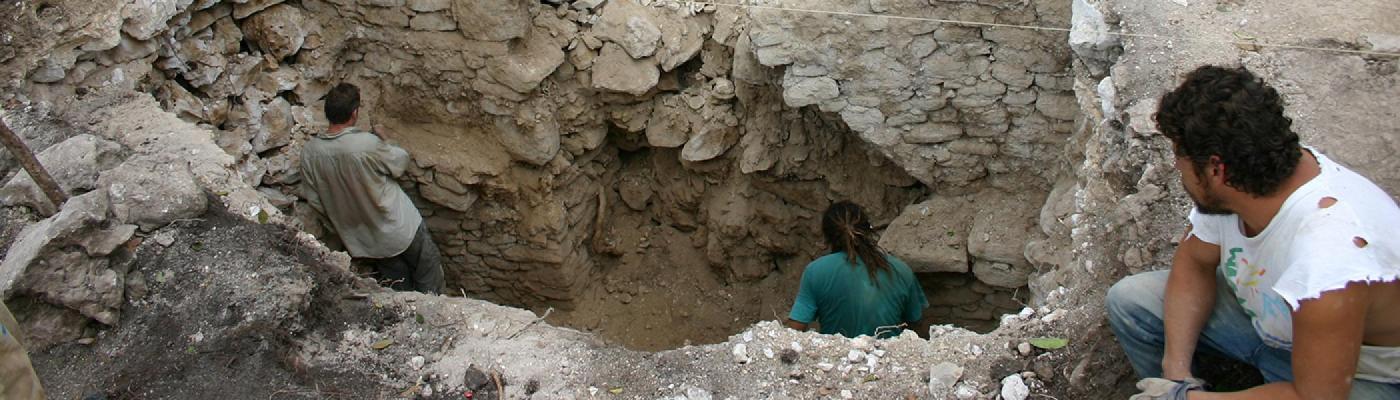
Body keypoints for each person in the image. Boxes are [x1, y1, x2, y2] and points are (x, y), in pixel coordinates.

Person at [1106, 65, 1400, 399]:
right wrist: (1177, 375)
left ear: (1216, 169)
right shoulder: (1247, 176)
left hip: (1357, 378)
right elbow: (1194, 264)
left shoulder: (1330, 260)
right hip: (1274, 332)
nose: (1177, 168)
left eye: (1181, 158)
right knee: (1132, 302)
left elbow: (1316, 396)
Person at [300, 83, 444, 294]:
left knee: (398, 282)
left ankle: (411, 316)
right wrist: (385, 138)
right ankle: (436, 312)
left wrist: (343, 227)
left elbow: (315, 201)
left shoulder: (309, 153)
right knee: (428, 268)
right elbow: (399, 162)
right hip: (399, 227)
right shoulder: (365, 144)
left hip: (366, 240)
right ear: (354, 113)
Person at [785, 201, 928, 338]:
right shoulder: (900, 269)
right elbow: (918, 326)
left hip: (837, 360)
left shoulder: (815, 272)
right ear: (868, 230)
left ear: (827, 237)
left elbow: (794, 330)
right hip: (886, 360)